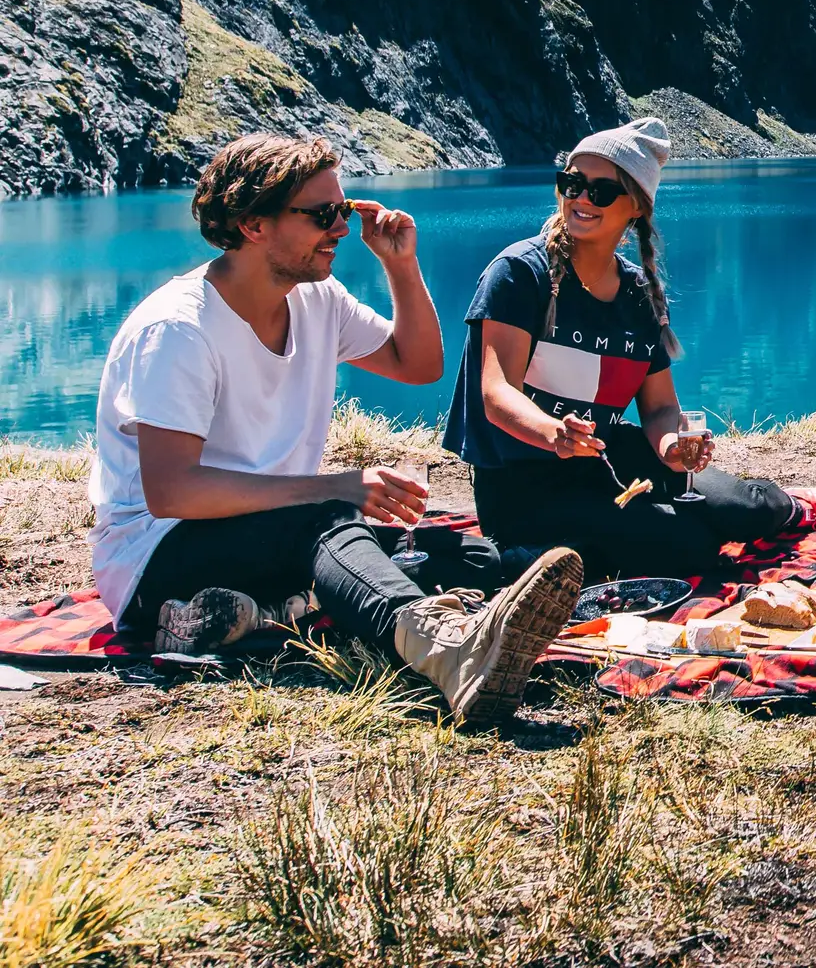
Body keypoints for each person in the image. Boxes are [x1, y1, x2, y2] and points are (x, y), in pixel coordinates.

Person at [89, 134, 583, 724]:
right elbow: (172, 493)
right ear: (253, 225)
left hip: (274, 528)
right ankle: (447, 649)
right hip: (159, 555)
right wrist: (334, 486)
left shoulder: (317, 298)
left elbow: (417, 363)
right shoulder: (178, 331)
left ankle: (254, 610)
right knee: (333, 522)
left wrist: (400, 263)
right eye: (323, 214)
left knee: (468, 558)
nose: (342, 229)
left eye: (342, 211)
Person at [443, 117, 816, 580]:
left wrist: (672, 446)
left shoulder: (637, 293)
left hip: (607, 457)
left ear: (635, 206)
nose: (580, 199)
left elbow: (658, 407)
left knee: (743, 508)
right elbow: (496, 393)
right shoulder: (518, 274)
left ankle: (798, 506)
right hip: (522, 480)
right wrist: (554, 432)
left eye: (601, 191)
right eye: (572, 183)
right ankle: (542, 550)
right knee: (684, 548)